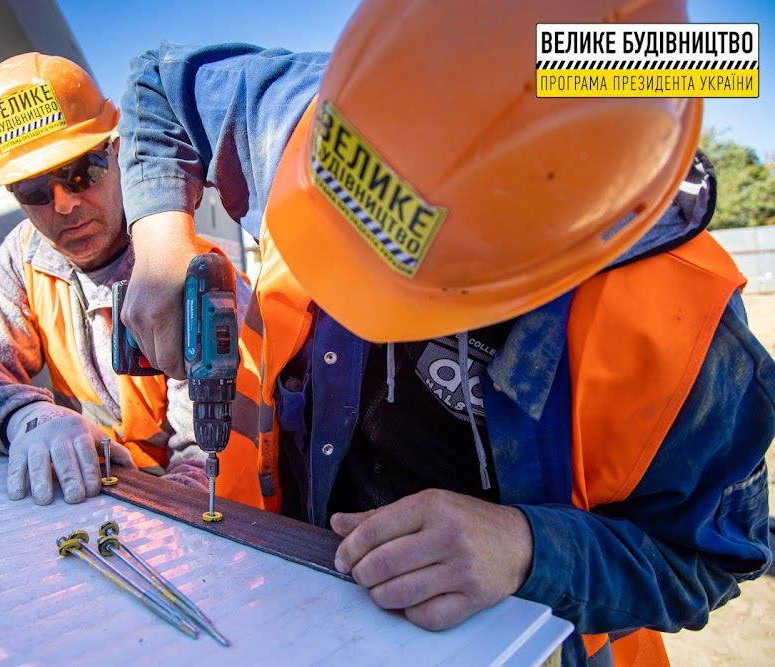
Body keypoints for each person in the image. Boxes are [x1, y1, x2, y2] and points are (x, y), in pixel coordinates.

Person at [114, 1, 774, 665]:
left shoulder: (687, 331)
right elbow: (159, 85)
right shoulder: (316, 108)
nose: (363, 301)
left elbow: (703, 561)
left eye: (422, 273)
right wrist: (160, 243)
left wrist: (528, 548)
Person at [0, 52, 259, 507]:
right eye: (35, 191)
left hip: (168, 510)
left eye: (82, 172)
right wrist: (32, 418)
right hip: (100, 495)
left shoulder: (200, 280)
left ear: (118, 153)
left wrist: (143, 520)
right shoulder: (25, 259)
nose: (63, 205)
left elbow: (212, 468)